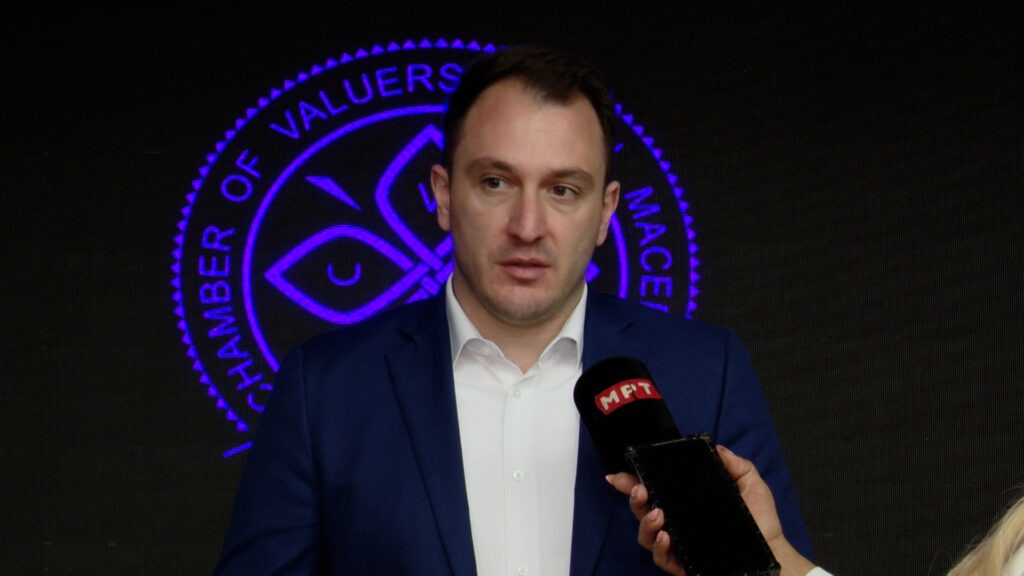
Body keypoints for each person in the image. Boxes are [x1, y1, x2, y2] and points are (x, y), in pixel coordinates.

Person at [215, 44, 812, 575]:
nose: (528, 226)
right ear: (444, 195)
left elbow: (776, 562)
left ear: (605, 212)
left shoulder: (708, 371)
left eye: (563, 190)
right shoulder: (324, 389)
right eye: (496, 183)